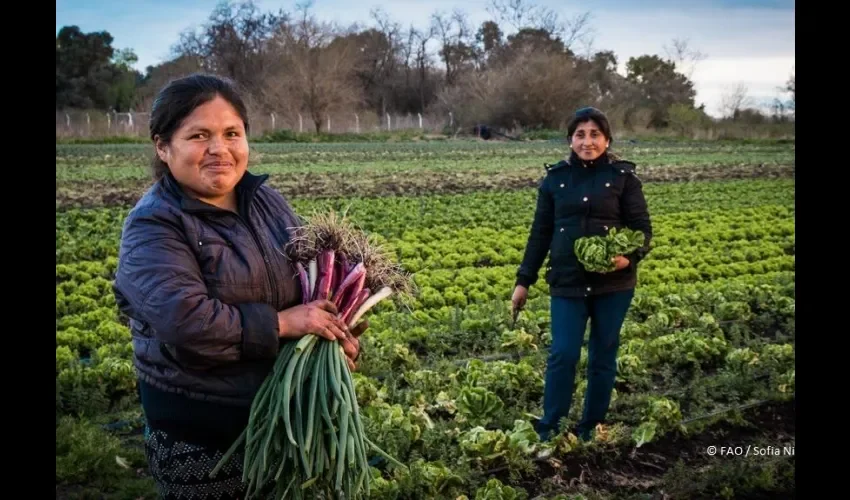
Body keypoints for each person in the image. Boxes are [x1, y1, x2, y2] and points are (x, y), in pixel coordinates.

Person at [112, 73, 366, 500]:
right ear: (162, 146)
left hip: (285, 417)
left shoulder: (266, 201)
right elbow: (186, 323)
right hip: (203, 433)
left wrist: (334, 335)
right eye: (199, 135)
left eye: (232, 133)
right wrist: (283, 324)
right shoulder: (153, 225)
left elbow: (309, 287)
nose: (219, 149)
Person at [511, 107, 652, 442]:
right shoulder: (555, 179)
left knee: (603, 354)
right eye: (580, 134)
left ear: (606, 139)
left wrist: (627, 258)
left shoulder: (623, 179)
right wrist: (523, 281)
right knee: (563, 353)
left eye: (594, 134)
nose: (587, 141)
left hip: (613, 285)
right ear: (570, 139)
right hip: (567, 282)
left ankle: (590, 427)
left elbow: (642, 231)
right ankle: (550, 428)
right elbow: (540, 233)